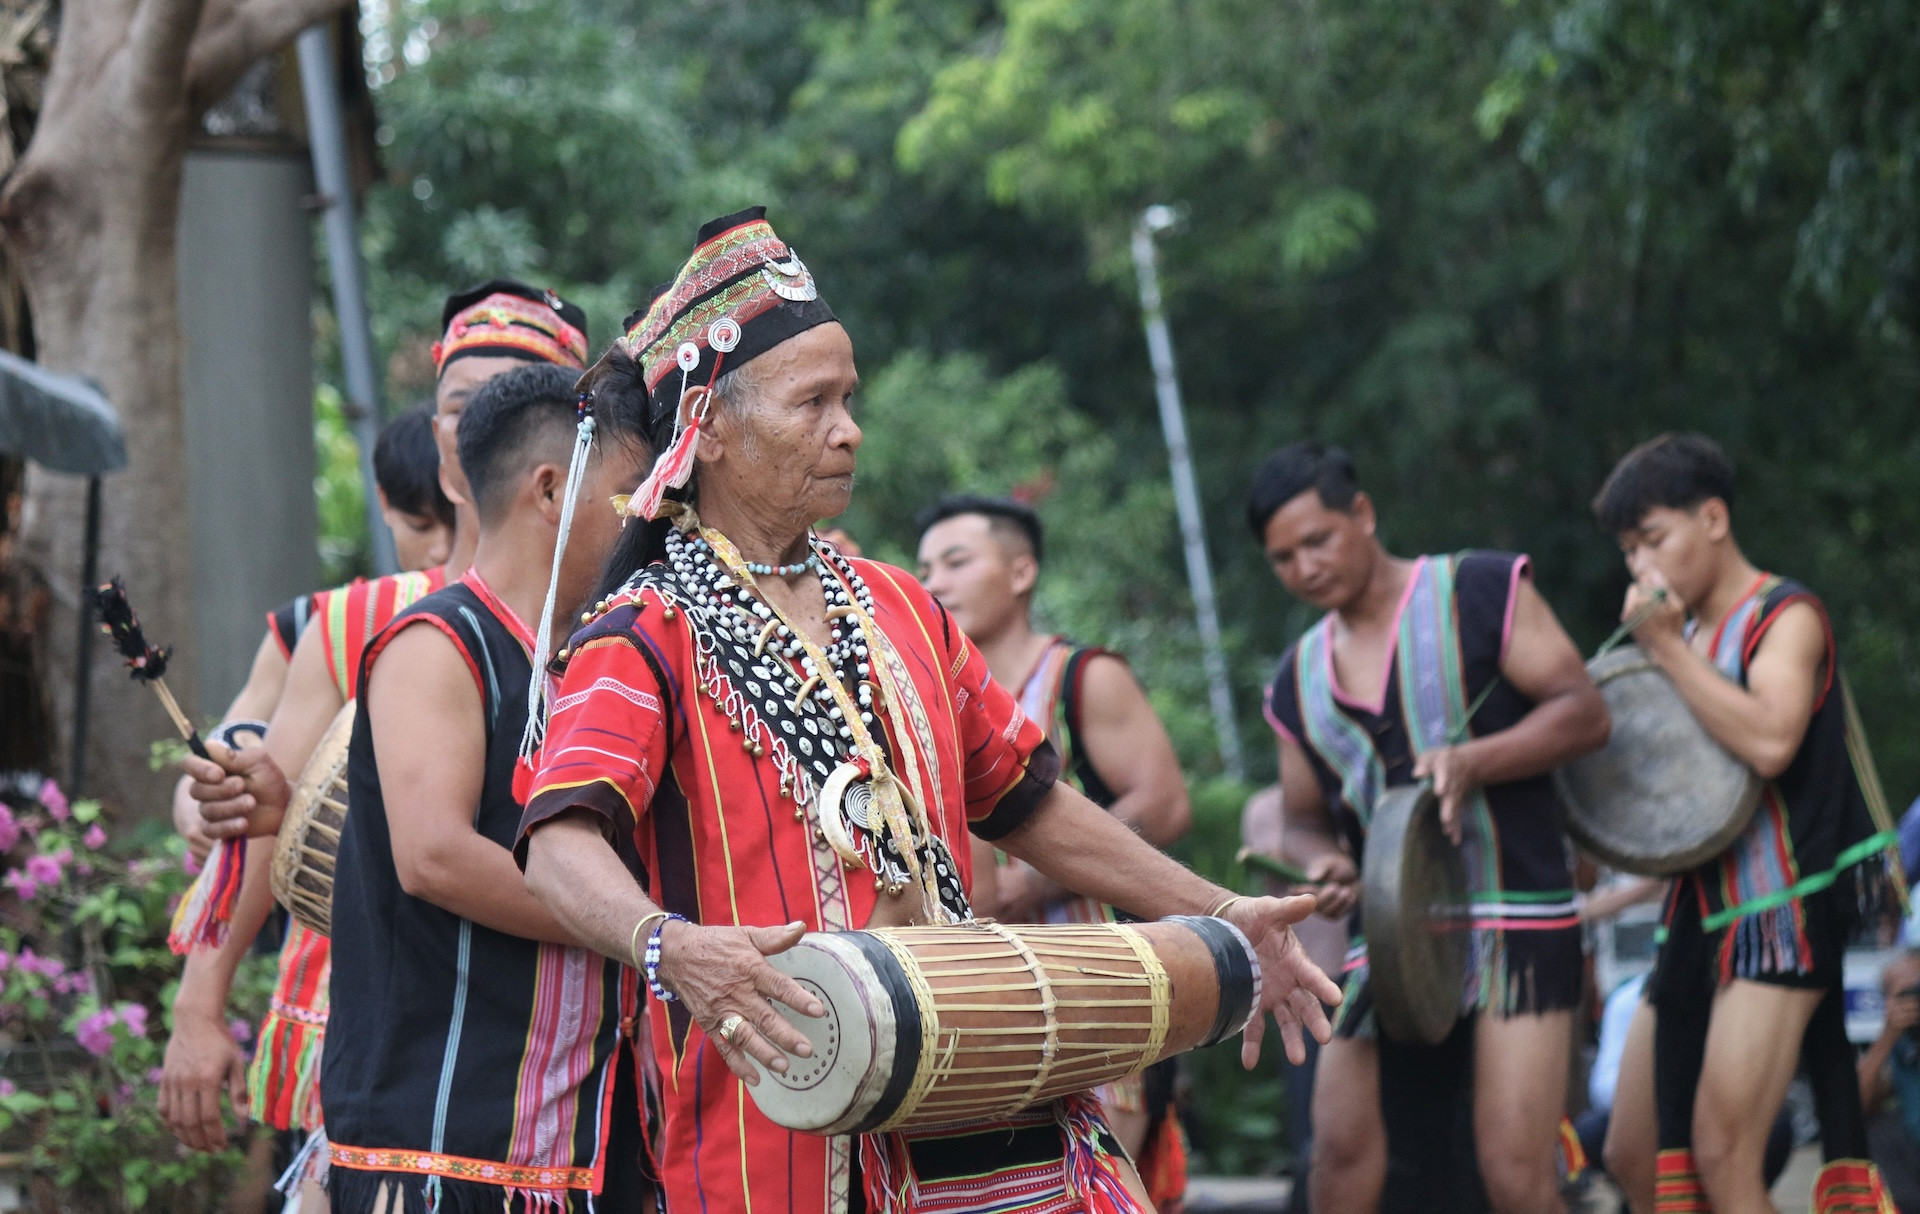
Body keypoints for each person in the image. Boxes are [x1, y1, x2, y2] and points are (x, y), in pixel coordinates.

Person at [513, 206, 1340, 1214]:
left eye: (849, 396)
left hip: (963, 1077)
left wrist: (1217, 906)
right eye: (812, 400)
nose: (849, 427)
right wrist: (671, 945)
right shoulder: (640, 634)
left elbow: (1029, 799)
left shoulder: (901, 603)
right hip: (769, 1119)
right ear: (710, 430)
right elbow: (557, 840)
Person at [163, 282, 588, 1192]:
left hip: (571, 1042)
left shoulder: (615, 621)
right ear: (438, 434)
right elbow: (260, 817)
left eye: (515, 396)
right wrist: (199, 1010)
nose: (482, 421)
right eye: (461, 403)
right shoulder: (361, 619)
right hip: (369, 1035)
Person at [1250, 440, 1609, 1214]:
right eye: (1283, 558)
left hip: (1517, 920)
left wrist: (1476, 760)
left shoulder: (1477, 588)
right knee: (1337, 1159)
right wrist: (1325, 865)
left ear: (1364, 514)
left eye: (1318, 540)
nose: (1305, 567)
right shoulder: (1296, 678)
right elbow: (1304, 820)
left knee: (1514, 1174)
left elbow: (1584, 712)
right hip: (1389, 936)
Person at [1592, 433, 1902, 1214]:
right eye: (1630, 551)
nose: (1642, 569)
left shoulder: (1784, 613)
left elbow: (1770, 739)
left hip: (1780, 916)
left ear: (1715, 518)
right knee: (1632, 1150)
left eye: (1653, 540)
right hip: (1697, 923)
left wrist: (1663, 647)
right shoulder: (1686, 640)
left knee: (1724, 1153)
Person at [914, 493, 1193, 1194]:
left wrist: (1039, 880)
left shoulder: (1082, 676)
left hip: (1106, 986)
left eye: (956, 561)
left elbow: (1165, 804)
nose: (935, 582)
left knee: (1098, 1186)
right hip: (999, 1000)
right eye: (924, 568)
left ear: (1021, 572)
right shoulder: (928, 695)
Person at [1859, 951, 1920, 1211]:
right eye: (1905, 993)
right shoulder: (1893, 1045)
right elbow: (1854, 1107)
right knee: (1875, 1127)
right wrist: (1888, 1036)